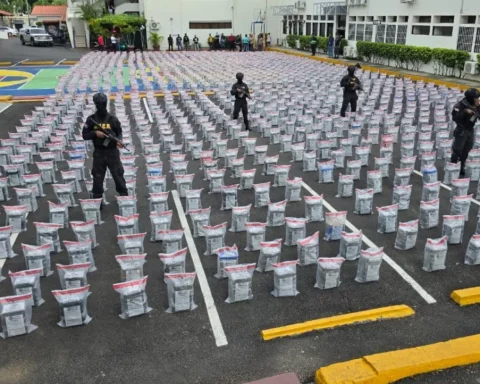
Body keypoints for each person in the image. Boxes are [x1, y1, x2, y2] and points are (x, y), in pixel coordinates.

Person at [82, 93, 128, 203]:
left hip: (112, 152)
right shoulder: (91, 120)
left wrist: (119, 141)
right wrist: (95, 133)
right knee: (98, 179)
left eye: (102, 104)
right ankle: (97, 202)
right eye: (99, 104)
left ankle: (124, 199)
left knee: (118, 176)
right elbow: (85, 135)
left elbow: (119, 133)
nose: (101, 106)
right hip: (99, 153)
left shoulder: (113, 119)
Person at [451, 88, 480, 176]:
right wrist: (464, 112)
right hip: (462, 130)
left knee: (467, 149)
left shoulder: (476, 105)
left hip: (470, 130)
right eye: (476, 98)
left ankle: (461, 165)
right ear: (471, 98)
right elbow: (455, 118)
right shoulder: (460, 105)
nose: (478, 99)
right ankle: (453, 166)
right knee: (457, 149)